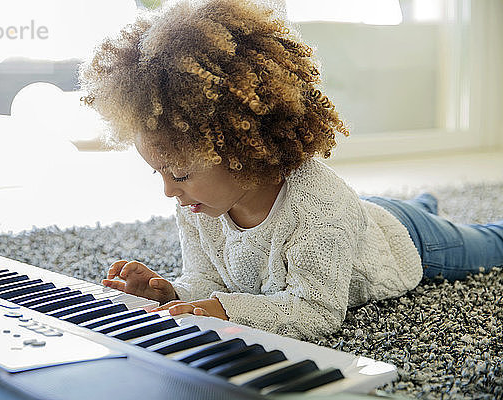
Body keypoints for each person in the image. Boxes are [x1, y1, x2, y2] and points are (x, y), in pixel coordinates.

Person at [78, 0, 503, 340]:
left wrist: (227, 310)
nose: (169, 192)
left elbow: (316, 310)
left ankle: (420, 210)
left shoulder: (319, 208)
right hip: (359, 218)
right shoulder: (199, 203)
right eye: (160, 174)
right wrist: (172, 293)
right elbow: (209, 281)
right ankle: (421, 201)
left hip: (410, 243)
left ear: (244, 149)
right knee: (382, 209)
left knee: (489, 244)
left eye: (180, 174)